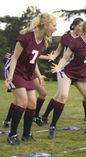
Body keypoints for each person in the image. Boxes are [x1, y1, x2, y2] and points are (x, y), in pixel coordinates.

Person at [47, 18, 86, 139]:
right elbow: (64, 58)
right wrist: (59, 67)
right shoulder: (75, 42)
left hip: (81, 76)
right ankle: (52, 126)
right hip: (67, 72)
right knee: (63, 95)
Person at [4, 13, 57, 145]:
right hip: (15, 71)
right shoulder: (25, 38)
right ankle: (12, 135)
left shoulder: (43, 42)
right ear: (45, 25)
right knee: (22, 102)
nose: (55, 29)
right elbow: (14, 58)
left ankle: (26, 135)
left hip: (28, 72)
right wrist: (10, 76)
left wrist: (38, 76)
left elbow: (33, 61)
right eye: (54, 25)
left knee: (32, 104)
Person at [39, 17, 85, 125]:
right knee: (61, 95)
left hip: (78, 71)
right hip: (65, 69)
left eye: (83, 26)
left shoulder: (84, 38)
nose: (81, 28)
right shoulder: (66, 37)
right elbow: (58, 51)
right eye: (79, 26)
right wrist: (52, 56)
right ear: (74, 26)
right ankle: (46, 118)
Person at [2, 49, 56, 128]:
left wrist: (40, 75)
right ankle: (8, 120)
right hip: (20, 70)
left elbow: (34, 57)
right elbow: (24, 53)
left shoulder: (40, 44)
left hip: (29, 70)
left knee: (43, 93)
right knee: (20, 100)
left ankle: (35, 116)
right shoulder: (28, 40)